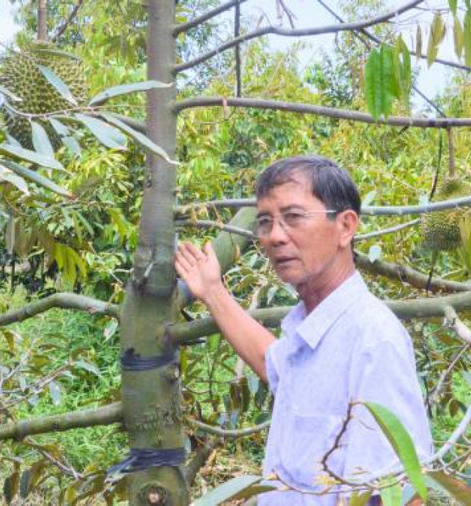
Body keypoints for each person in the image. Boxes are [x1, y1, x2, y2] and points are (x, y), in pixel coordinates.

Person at [174, 156, 433, 505]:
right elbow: (275, 365)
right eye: (265, 222)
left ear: (345, 227)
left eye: (293, 217)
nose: (275, 236)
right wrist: (214, 293)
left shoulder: (372, 338)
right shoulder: (312, 324)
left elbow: (399, 492)